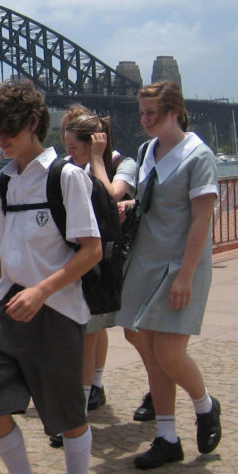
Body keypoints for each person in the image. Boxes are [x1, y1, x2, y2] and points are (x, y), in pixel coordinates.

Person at [0, 79, 101, 474]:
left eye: (7, 131)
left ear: (32, 122)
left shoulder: (65, 177)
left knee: (67, 415)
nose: (0, 141)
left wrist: (42, 291)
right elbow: (2, 253)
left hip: (57, 311)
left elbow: (91, 250)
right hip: (10, 309)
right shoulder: (6, 181)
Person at [116, 81, 222, 470]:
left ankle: (205, 405)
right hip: (146, 261)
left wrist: (186, 277)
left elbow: (201, 221)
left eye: (152, 113)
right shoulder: (148, 151)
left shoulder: (199, 156)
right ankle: (167, 438)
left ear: (175, 112)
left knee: (169, 353)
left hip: (181, 265)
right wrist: (131, 205)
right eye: (142, 113)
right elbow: (154, 202)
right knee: (152, 353)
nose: (144, 120)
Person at [45, 106, 137, 447]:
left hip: (107, 264)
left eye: (74, 146)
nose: (69, 153)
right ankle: (79, 410)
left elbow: (108, 198)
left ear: (94, 141)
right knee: (83, 336)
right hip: (78, 262)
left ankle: (78, 415)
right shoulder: (70, 170)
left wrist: (97, 159)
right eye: (66, 144)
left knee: (101, 336)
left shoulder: (120, 164)